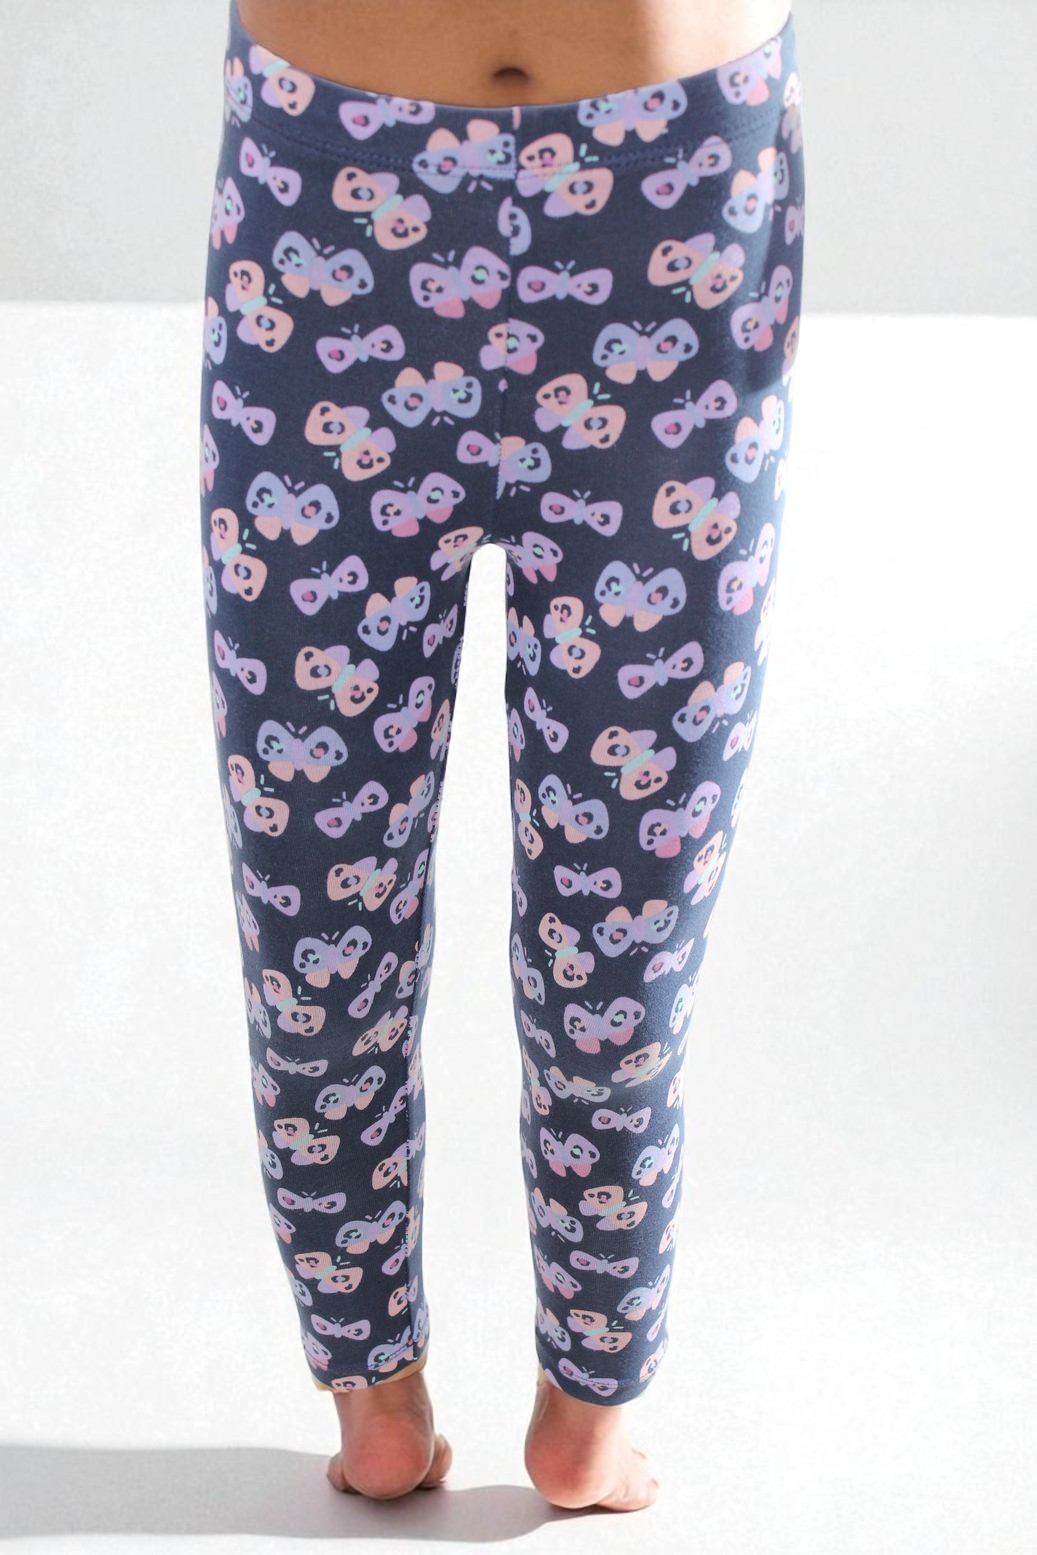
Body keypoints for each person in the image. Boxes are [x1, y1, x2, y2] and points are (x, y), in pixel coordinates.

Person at [197, 0, 805, 1511]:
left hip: (669, 201)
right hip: (342, 194)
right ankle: (389, 1391)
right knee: (320, 903)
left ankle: (566, 1405)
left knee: (619, 927)